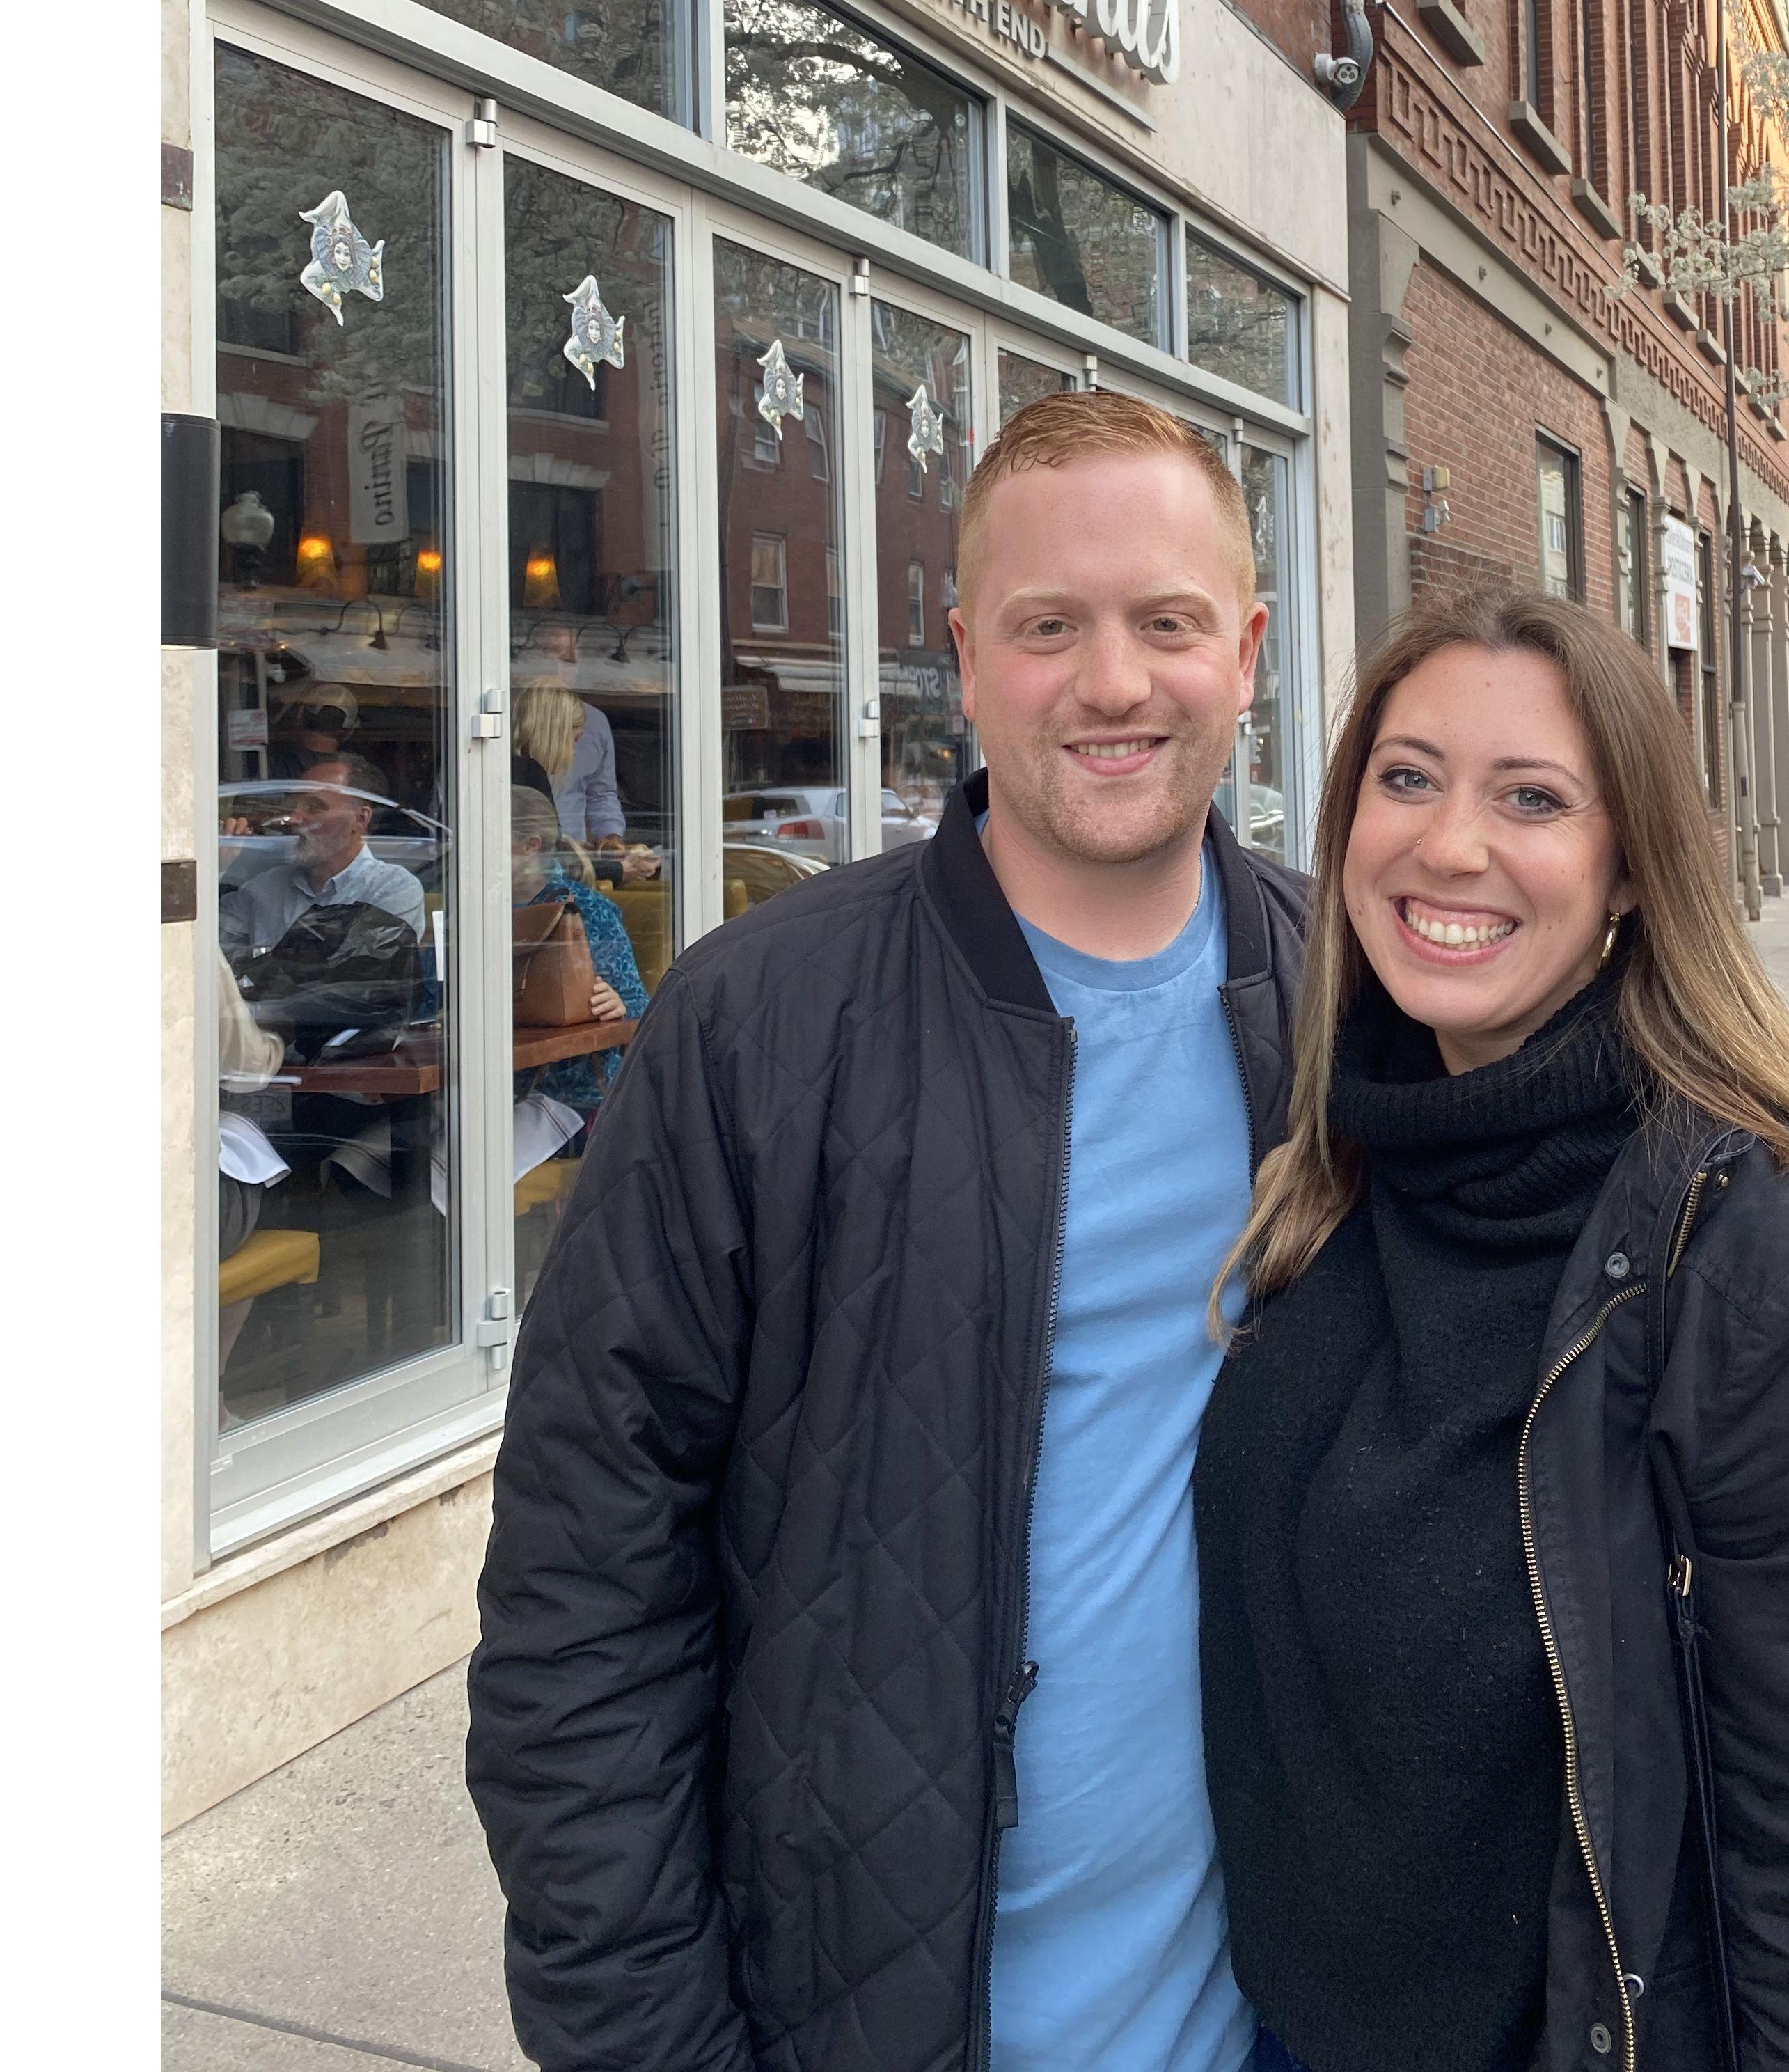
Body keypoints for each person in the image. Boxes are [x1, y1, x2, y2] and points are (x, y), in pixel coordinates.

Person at [467, 390, 1303, 2072]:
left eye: (1167, 623)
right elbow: (582, 1598)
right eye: (1049, 625)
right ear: (965, 653)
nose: (1114, 681)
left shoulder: (1353, 1004)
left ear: (1252, 649)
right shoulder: (755, 1024)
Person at [1193, 590, 1789, 2072]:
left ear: (1629, 873)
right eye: (1406, 777)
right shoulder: (1336, 1169)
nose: (1449, 845)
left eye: (1533, 799)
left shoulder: (1787, 1263)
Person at [505, 784, 643, 1113]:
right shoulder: (469, 908)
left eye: (484, 837)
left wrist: (618, 1005)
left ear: (530, 847)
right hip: (476, 1091)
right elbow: (428, 998)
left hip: (567, 1101)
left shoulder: (585, 910)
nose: (469, 849)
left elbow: (640, 1005)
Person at [219, 751, 425, 953]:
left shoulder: (390, 889)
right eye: (293, 806)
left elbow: (355, 972)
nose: (295, 818)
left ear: (360, 819)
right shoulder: (267, 888)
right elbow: (204, 945)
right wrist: (219, 865)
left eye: (314, 807)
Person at [519, 623, 662, 880]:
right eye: (564, 657)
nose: (575, 663)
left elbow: (602, 794)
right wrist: (617, 869)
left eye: (578, 656)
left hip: (573, 865)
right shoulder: (518, 752)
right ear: (535, 661)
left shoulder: (595, 723)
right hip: (542, 871)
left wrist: (610, 841)